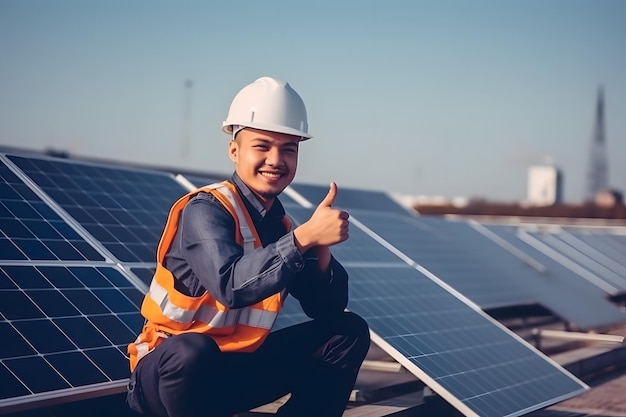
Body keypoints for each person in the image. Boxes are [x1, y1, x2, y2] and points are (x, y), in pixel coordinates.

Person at [126, 76, 370, 417]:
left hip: (233, 372)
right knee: (194, 351)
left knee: (348, 331)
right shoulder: (205, 210)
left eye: (289, 149)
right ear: (234, 150)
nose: (276, 159)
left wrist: (323, 248)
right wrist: (304, 239)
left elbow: (325, 309)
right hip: (168, 377)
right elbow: (230, 285)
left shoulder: (282, 227)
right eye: (262, 146)